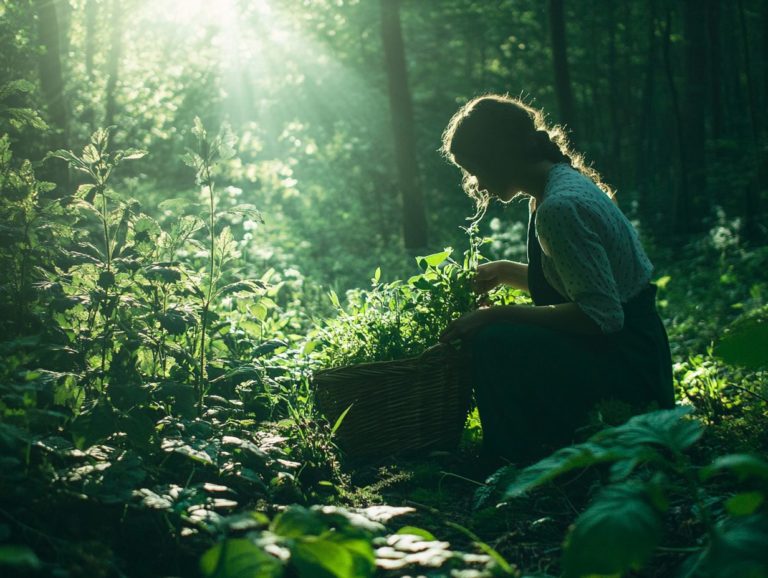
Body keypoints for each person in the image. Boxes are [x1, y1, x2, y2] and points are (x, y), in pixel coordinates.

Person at [439, 94, 675, 465]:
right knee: (499, 331)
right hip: (638, 349)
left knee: (493, 341)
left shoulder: (558, 208)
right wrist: (505, 271)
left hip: (628, 366)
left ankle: (514, 460)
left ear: (500, 156)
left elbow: (603, 316)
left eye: (477, 169)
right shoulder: (556, 185)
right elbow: (581, 282)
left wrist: (496, 315)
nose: (477, 184)